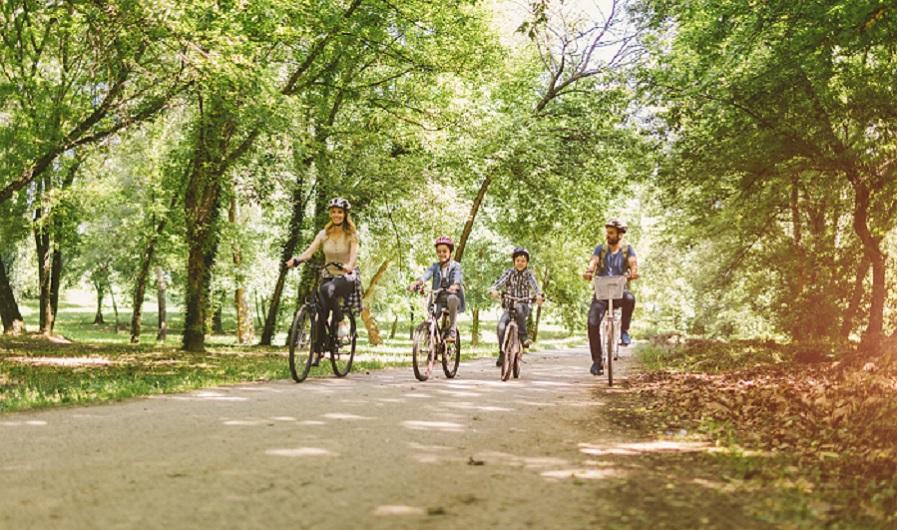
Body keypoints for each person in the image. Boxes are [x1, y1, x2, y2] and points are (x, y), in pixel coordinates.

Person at [286, 197, 362, 364]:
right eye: (334, 212)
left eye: (340, 212)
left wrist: (349, 265)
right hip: (328, 275)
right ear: (330, 214)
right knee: (321, 313)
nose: (336, 215)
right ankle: (317, 351)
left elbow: (354, 256)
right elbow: (309, 252)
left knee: (326, 289)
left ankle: (341, 321)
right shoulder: (323, 234)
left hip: (346, 277)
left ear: (345, 214)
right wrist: (297, 260)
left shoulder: (352, 235)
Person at [582, 218, 639, 376]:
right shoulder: (600, 249)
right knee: (592, 323)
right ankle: (597, 362)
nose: (608, 236)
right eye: (607, 233)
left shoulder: (627, 250)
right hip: (602, 293)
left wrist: (633, 272)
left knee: (630, 299)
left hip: (620, 291)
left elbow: (633, 263)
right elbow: (593, 262)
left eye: (612, 233)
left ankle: (624, 331)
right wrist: (588, 271)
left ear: (620, 235)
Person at [489, 247, 544, 366]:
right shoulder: (509, 273)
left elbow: (535, 287)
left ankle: (523, 337)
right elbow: (499, 283)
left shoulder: (528, 275)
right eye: (518, 260)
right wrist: (493, 289)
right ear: (514, 261)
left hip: (524, 306)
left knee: (519, 308)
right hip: (509, 307)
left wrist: (539, 295)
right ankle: (502, 353)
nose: (520, 263)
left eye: (523, 261)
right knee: (501, 327)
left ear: (527, 263)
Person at [408, 236, 465, 342]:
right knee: (432, 317)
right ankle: (432, 341)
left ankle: (452, 331)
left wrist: (456, 285)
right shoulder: (435, 266)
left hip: (452, 297)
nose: (441, 254)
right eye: (439, 251)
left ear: (450, 252)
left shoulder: (455, 266)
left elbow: (457, 277)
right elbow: (426, 275)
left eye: (444, 251)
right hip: (438, 298)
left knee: (452, 299)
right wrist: (417, 282)